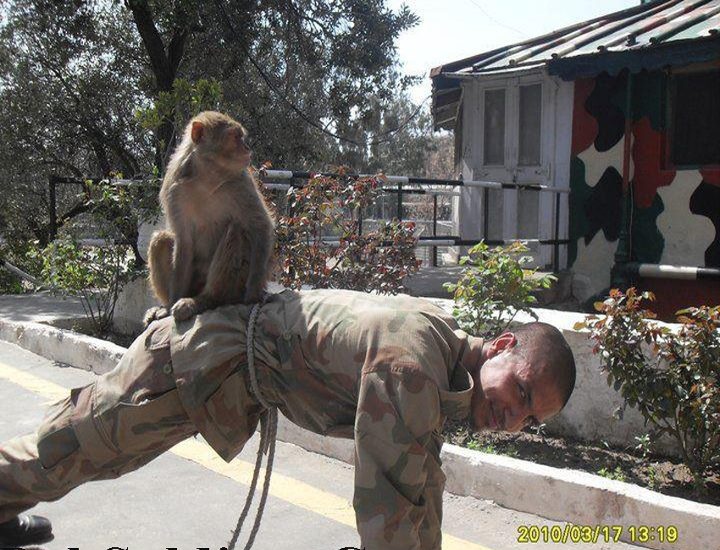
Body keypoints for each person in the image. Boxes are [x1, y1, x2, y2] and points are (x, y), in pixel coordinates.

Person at [0, 288, 576, 549]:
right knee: (70, 450)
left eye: (530, 416)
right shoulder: (415, 364)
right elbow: (389, 507)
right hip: (191, 363)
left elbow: (425, 483)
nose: (513, 416)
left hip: (221, 379)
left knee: (87, 460)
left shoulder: (448, 366)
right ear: (501, 347)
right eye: (522, 391)